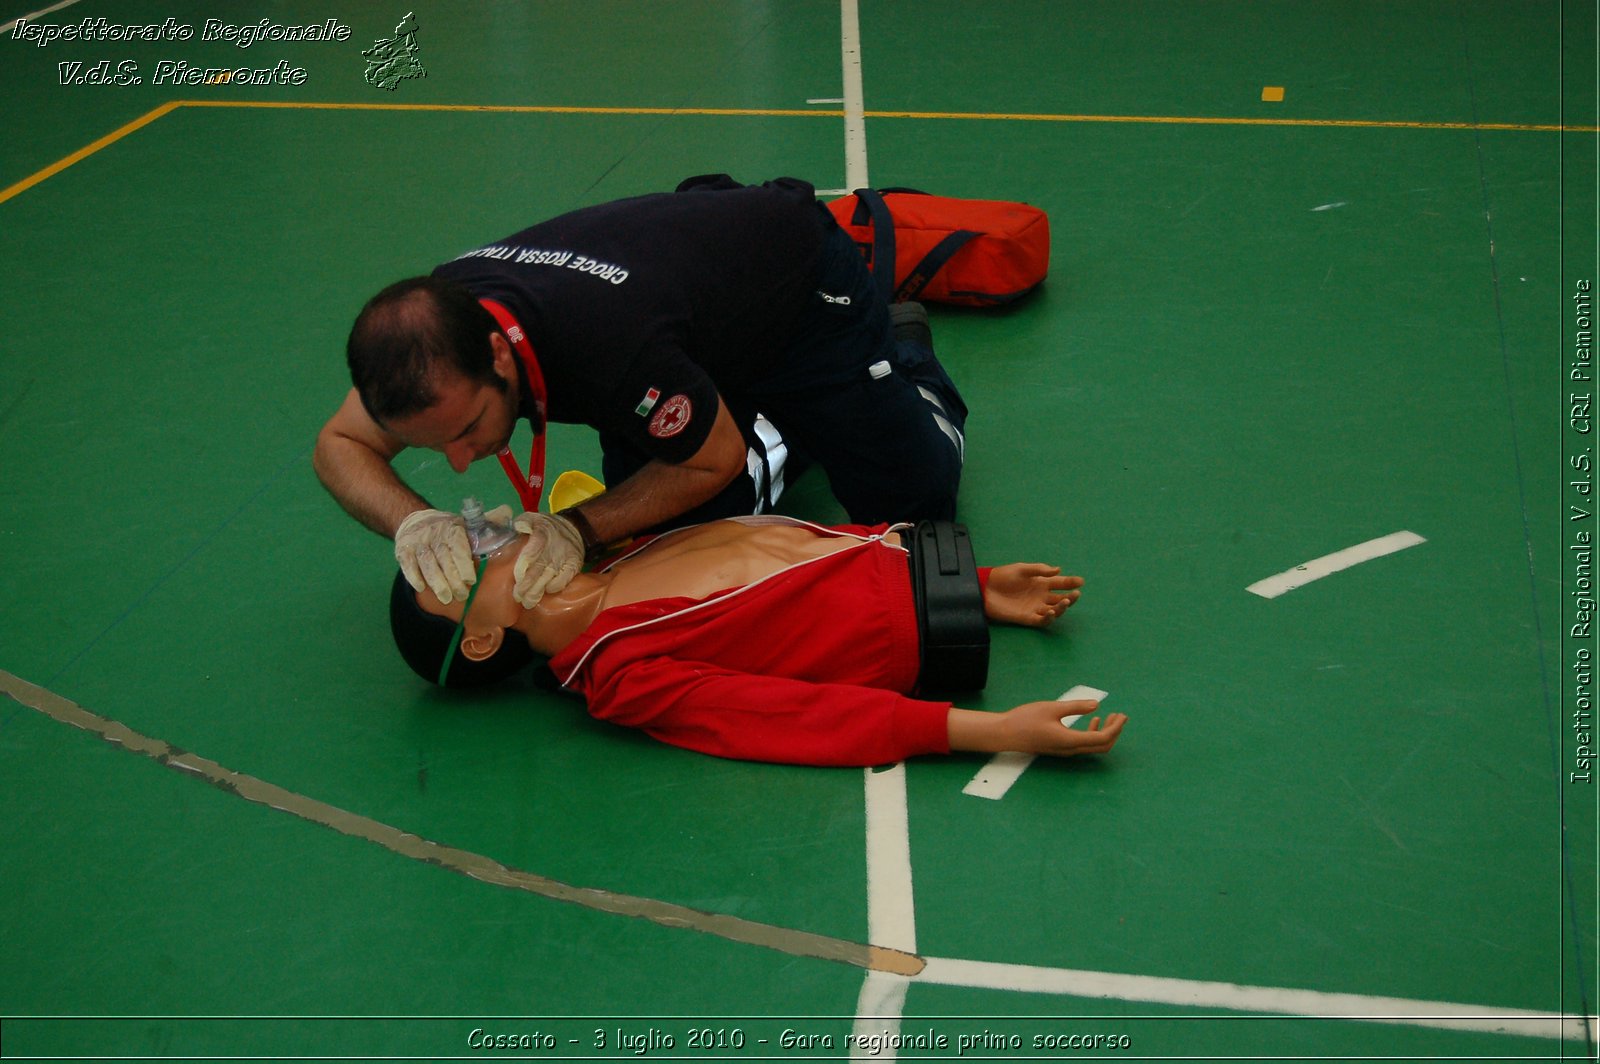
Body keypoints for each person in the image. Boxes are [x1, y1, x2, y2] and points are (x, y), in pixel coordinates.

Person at [315, 175, 968, 615]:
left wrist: (578, 526)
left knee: (913, 510)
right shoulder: (431, 341)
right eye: (439, 445)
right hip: (682, 318)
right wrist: (411, 519)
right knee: (675, 549)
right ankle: (779, 423)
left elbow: (710, 461)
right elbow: (339, 444)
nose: (462, 461)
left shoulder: (608, 349)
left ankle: (906, 355)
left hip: (797, 291)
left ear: (496, 354)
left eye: (468, 430)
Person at [389, 515, 1127, 767]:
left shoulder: (606, 547)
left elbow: (779, 550)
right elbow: (793, 720)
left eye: (467, 533)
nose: (487, 537)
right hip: (922, 642)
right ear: (482, 641)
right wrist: (994, 731)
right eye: (463, 569)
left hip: (922, 567)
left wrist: (978, 582)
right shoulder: (619, 671)